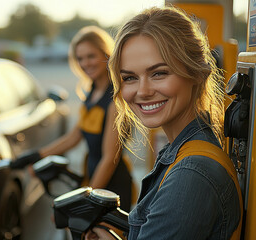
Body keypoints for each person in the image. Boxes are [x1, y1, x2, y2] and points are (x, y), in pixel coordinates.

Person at [85, 6, 242, 240]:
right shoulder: (182, 150)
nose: (143, 91)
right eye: (129, 78)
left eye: (159, 73)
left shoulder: (190, 176)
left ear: (197, 72)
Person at [14, 25, 133, 212]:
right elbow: (76, 135)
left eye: (91, 56)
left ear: (106, 54)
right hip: (93, 178)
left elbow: (110, 158)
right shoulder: (93, 91)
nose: (85, 64)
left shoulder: (114, 99)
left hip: (110, 188)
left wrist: (89, 200)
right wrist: (37, 155)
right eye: (80, 58)